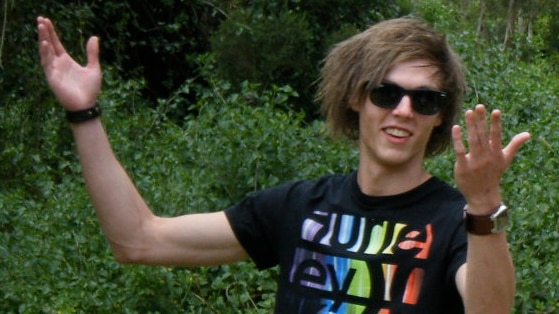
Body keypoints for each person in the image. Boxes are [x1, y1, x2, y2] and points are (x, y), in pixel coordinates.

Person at [37, 15, 530, 313]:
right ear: (357, 97)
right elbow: (138, 240)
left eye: (425, 100)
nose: (403, 111)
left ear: (439, 116)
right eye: (387, 92)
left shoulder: (456, 222)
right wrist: (84, 113)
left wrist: (485, 204)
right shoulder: (300, 206)